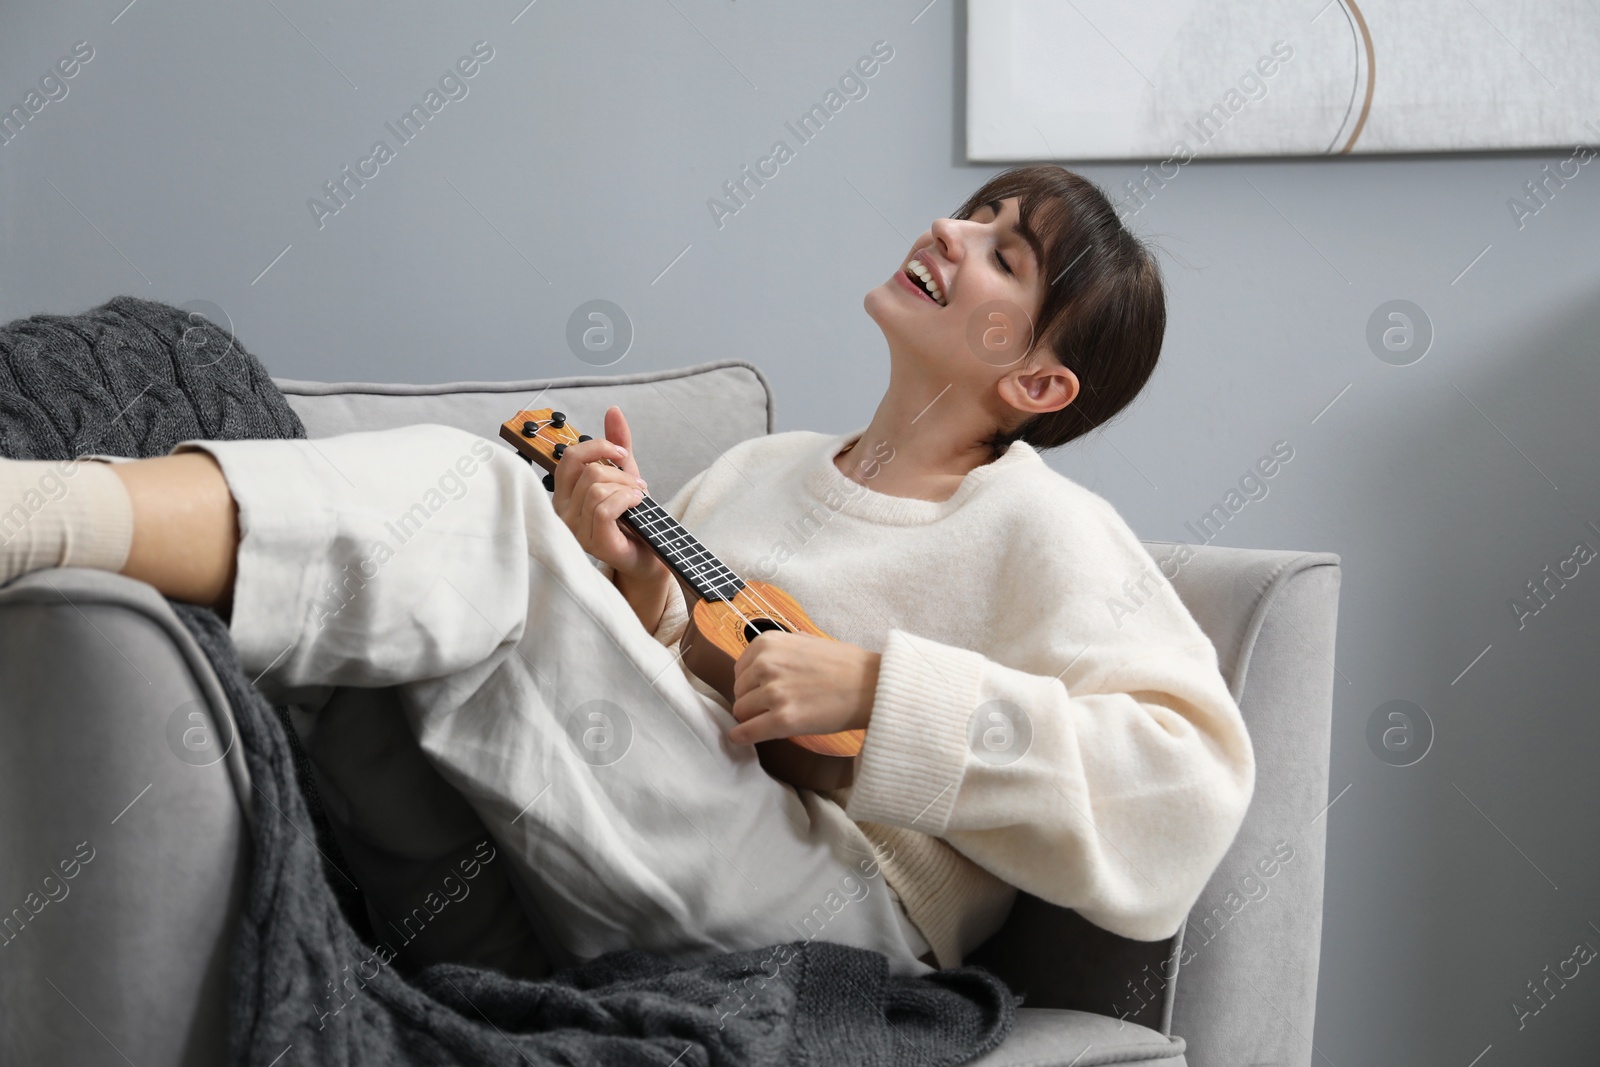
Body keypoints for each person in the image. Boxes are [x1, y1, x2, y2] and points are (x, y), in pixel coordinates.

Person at [0, 165, 1254, 980]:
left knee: (474, 493)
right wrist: (620, 578)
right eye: (974, 212)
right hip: (617, 863)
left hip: (837, 917)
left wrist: (878, 689)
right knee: (367, 649)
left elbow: (1186, 794)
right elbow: (632, 693)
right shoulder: (763, 466)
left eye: (1005, 253)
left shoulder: (1043, 526)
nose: (951, 229)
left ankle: (34, 509)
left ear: (1034, 381)